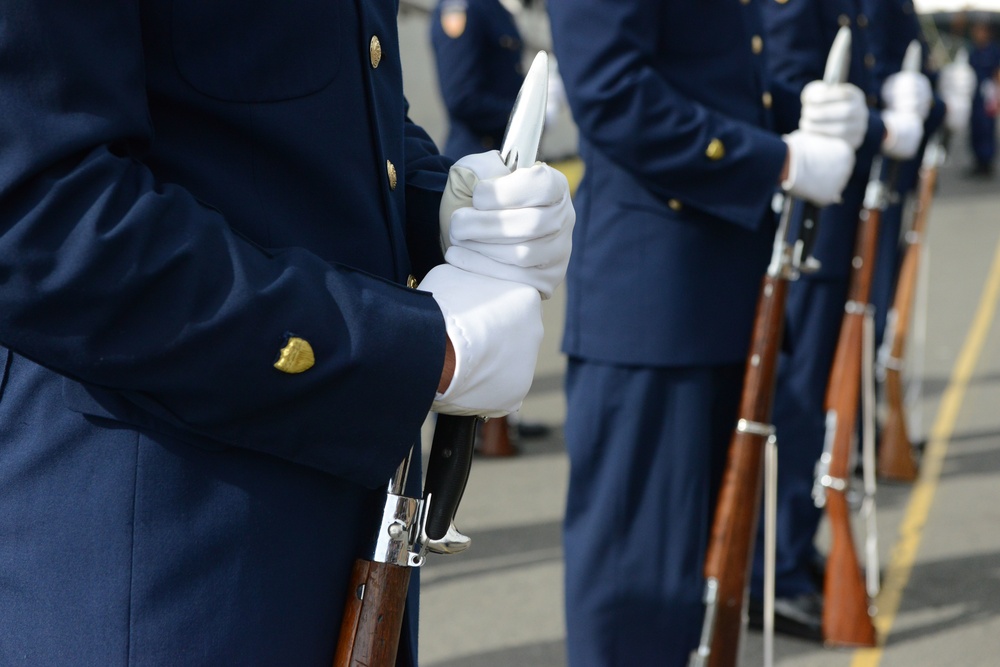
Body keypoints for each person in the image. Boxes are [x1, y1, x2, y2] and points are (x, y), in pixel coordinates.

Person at [0, 3, 574, 665]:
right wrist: (410, 351)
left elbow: (316, 94)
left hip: (335, 505)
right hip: (169, 544)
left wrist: (444, 201)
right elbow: (39, 214)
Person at [546, 1, 861, 663]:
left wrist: (803, 117)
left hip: (716, 289)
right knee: (638, 597)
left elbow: (720, 76)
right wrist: (776, 159)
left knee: (699, 593)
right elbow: (612, 94)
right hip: (653, 306)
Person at [749, 0, 933, 641]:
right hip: (813, 215)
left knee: (817, 402)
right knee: (797, 405)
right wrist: (882, 128)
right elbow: (793, 89)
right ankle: (777, 568)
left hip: (844, 209)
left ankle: (791, 551)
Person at [431, 0, 525, 159]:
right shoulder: (461, 9)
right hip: (478, 159)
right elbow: (461, 98)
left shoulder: (492, 6)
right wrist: (521, 116)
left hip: (502, 151)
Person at [967, 17, 1000, 176]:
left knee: (987, 129)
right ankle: (978, 162)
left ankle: (987, 163)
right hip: (975, 95)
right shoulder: (973, 50)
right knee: (976, 129)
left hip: (988, 95)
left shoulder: (993, 50)